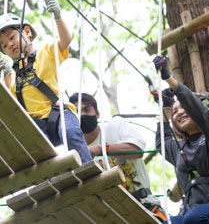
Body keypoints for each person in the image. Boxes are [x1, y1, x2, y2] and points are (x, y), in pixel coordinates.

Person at [0, 0, 92, 164]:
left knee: (71, 133)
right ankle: (49, 181)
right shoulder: (15, 76)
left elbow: (65, 40)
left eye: (11, 37)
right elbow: (13, 102)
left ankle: (87, 166)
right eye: (5, 46)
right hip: (35, 125)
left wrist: (58, 17)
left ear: (27, 32)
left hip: (59, 113)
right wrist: (7, 76)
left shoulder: (46, 53)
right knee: (34, 153)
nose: (10, 45)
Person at [153, 56, 209, 224]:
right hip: (192, 211)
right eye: (175, 112)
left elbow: (200, 112)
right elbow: (162, 143)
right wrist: (164, 108)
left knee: (194, 218)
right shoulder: (180, 148)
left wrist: (169, 80)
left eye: (183, 107)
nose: (179, 112)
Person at [68, 92, 167, 223]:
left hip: (143, 205)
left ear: (97, 113)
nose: (83, 115)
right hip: (109, 215)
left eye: (87, 110)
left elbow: (137, 149)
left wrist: (102, 149)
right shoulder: (74, 153)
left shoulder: (115, 126)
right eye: (77, 112)